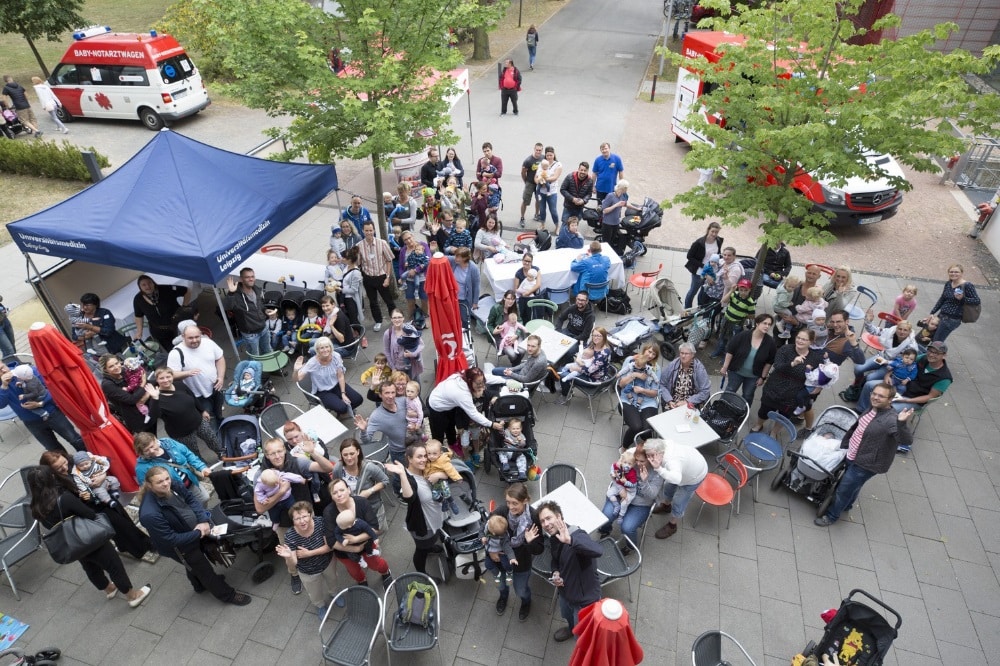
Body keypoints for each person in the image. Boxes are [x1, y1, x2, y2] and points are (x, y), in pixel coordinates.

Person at [28, 466, 151, 607]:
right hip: (90, 538)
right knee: (113, 565)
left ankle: (109, 589)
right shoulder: (64, 499)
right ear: (52, 478)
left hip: (72, 544)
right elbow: (90, 514)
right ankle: (132, 596)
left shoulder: (35, 508)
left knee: (90, 567)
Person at [139, 465, 252, 605]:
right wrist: (198, 533)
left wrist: (203, 521)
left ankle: (198, 585)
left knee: (192, 565)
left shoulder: (171, 484)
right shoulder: (150, 514)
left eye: (167, 478)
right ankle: (228, 595)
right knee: (204, 570)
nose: (166, 483)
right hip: (181, 547)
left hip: (193, 531)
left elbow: (191, 499)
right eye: (159, 482)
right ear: (149, 485)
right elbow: (170, 540)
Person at [814, 385, 914, 526]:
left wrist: (902, 423)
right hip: (853, 455)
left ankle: (831, 516)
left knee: (843, 489)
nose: (875, 397)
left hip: (866, 464)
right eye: (874, 393)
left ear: (890, 400)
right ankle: (847, 505)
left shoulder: (891, 420)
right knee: (853, 485)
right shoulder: (873, 407)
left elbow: (905, 441)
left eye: (881, 396)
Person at [257, 436, 336, 594]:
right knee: (289, 553)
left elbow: (327, 468)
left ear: (285, 450)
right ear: (266, 455)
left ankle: (324, 563)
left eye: (280, 451)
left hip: (306, 515)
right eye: (272, 453)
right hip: (285, 522)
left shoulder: (298, 463)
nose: (277, 456)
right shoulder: (261, 474)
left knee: (316, 542)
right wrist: (281, 492)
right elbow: (259, 508)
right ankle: (294, 574)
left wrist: (313, 452)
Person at [39, 450, 151, 558]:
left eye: (64, 462)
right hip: (94, 506)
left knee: (123, 519)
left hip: (104, 495)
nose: (65, 467)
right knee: (122, 526)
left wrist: (101, 477)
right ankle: (141, 547)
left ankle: (130, 545)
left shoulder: (74, 460)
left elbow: (99, 465)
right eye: (59, 468)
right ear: (51, 472)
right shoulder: (58, 484)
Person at [856, 342, 953, 438]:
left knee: (889, 408)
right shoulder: (923, 357)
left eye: (936, 353)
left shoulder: (944, 378)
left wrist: (906, 400)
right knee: (869, 385)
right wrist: (887, 375)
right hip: (899, 384)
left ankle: (872, 429)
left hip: (913, 398)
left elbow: (929, 397)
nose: (931, 354)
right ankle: (860, 411)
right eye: (930, 351)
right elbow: (901, 363)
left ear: (944, 356)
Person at [537, 500, 602, 641]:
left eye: (548, 518)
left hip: (584, 601)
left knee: (582, 638)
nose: (546, 524)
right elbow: (555, 560)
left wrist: (571, 541)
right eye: (542, 521)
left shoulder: (577, 535)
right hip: (566, 592)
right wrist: (556, 572)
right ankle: (571, 628)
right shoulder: (554, 537)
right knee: (567, 615)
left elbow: (597, 550)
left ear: (559, 516)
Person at [384, 445, 446, 574]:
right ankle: (422, 573)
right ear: (410, 459)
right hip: (422, 524)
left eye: (425, 456)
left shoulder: (428, 468)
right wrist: (402, 474)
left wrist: (440, 474)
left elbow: (449, 470)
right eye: (419, 457)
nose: (424, 459)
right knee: (421, 550)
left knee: (432, 540)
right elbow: (409, 497)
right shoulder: (408, 479)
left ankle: (430, 547)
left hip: (434, 517)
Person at [427, 368, 505, 466]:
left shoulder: (468, 377)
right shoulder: (463, 394)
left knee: (451, 424)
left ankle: (452, 443)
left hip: (449, 403)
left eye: (482, 382)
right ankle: (436, 455)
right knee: (438, 432)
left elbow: (487, 378)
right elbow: (473, 413)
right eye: (478, 384)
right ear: (469, 381)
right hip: (436, 406)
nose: (481, 386)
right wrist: (492, 424)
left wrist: (505, 380)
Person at [274, 502, 339, 619]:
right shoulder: (290, 536)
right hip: (308, 571)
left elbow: (330, 546)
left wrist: (309, 553)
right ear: (293, 520)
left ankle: (334, 594)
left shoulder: (320, 522)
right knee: (314, 592)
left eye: (304, 516)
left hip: (328, 563)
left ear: (310, 515)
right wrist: (288, 556)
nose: (302, 521)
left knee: (333, 579)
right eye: (297, 518)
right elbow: (293, 563)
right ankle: (320, 605)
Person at [0, 365, 86, 453]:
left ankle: (89, 459)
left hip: (52, 413)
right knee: (53, 450)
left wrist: (40, 403)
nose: (3, 371)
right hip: (31, 422)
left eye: (3, 367)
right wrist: (4, 386)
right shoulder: (2, 385)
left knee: (74, 439)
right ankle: (67, 465)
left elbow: (53, 389)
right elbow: (1, 404)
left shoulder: (25, 371)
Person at [752, 329, 824, 432]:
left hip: (793, 395)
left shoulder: (815, 358)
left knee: (784, 417)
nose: (800, 341)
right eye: (798, 338)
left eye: (804, 339)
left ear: (811, 342)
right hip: (774, 389)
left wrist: (818, 387)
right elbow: (777, 366)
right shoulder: (785, 349)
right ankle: (759, 425)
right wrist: (793, 363)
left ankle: (774, 432)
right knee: (764, 410)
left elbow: (820, 376)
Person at [146, 366, 220, 459]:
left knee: (212, 439)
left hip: (198, 421)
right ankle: (203, 469)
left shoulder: (179, 385)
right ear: (157, 379)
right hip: (181, 433)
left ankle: (223, 455)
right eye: (161, 378)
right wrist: (155, 398)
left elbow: (192, 397)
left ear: (172, 377)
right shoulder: (155, 397)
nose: (165, 380)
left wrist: (202, 410)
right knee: (193, 452)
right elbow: (154, 416)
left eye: (168, 377)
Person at [841, 318, 917, 402]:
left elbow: (909, 364)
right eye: (900, 329)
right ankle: (858, 382)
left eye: (905, 330)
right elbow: (874, 331)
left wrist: (889, 373)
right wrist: (868, 321)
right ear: (896, 328)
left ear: (909, 332)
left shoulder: (912, 346)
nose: (902, 332)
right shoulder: (890, 332)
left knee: (870, 378)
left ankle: (862, 392)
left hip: (892, 367)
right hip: (881, 357)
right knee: (858, 368)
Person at [648, 437, 710, 539]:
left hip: (694, 476)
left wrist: (658, 469)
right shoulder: (660, 445)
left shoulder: (671, 462)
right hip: (685, 468)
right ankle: (666, 506)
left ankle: (672, 525)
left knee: (679, 500)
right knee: (668, 487)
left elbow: (676, 479)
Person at [167, 324, 226, 430]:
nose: (194, 340)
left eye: (197, 337)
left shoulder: (208, 343)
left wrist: (220, 377)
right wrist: (187, 373)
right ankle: (218, 442)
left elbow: (220, 358)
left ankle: (223, 427)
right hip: (197, 395)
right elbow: (170, 375)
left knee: (218, 412)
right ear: (183, 336)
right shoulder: (176, 353)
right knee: (210, 419)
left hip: (215, 387)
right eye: (190, 338)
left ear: (200, 335)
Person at [354, 381, 410, 493]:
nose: (390, 396)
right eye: (387, 393)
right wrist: (363, 430)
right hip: (399, 451)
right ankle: (398, 491)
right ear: (380, 395)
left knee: (413, 472)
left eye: (393, 392)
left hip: (413, 446)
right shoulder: (376, 416)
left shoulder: (404, 401)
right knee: (400, 474)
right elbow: (366, 440)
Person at [133, 431, 212, 503]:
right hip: (174, 495)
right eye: (147, 450)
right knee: (190, 513)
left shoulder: (169, 443)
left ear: (155, 439)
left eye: (152, 446)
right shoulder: (141, 468)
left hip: (190, 483)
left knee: (204, 498)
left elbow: (188, 454)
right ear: (141, 452)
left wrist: (202, 467)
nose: (152, 451)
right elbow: (147, 489)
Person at [295, 336, 363, 417]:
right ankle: (342, 409)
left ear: (331, 347)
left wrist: (343, 394)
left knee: (358, 399)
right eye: (321, 348)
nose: (325, 350)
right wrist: (296, 370)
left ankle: (342, 406)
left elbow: (340, 376)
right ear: (317, 350)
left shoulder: (336, 356)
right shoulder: (312, 362)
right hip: (322, 391)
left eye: (327, 347)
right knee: (342, 408)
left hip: (336, 385)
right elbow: (298, 378)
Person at [331, 438, 391, 529]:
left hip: (371, 508)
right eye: (345, 455)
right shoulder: (338, 469)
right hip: (350, 511)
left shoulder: (369, 467)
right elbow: (334, 487)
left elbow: (385, 480)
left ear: (358, 452)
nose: (349, 458)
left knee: (375, 531)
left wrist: (369, 491)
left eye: (352, 453)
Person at [720, 314, 776, 406]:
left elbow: (769, 362)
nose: (767, 326)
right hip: (736, 372)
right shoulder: (743, 335)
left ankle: (744, 412)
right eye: (764, 323)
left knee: (748, 395)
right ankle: (721, 408)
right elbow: (730, 351)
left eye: (769, 324)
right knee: (730, 390)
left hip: (753, 376)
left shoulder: (770, 342)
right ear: (757, 323)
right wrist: (725, 367)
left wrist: (763, 377)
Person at [617, 343, 661, 448]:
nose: (650, 355)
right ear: (644, 350)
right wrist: (634, 375)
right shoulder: (630, 360)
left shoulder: (655, 368)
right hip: (628, 399)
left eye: (653, 354)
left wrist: (643, 390)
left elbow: (655, 392)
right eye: (649, 351)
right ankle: (624, 447)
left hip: (647, 401)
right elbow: (621, 384)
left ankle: (646, 446)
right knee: (637, 427)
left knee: (646, 430)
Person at [99, 354, 155, 434]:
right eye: (111, 366)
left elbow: (142, 375)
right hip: (137, 417)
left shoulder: (124, 370)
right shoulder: (107, 384)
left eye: (117, 363)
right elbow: (131, 399)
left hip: (149, 407)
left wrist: (147, 394)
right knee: (151, 440)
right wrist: (143, 383)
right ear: (105, 370)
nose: (116, 367)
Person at [358, 220, 397, 332]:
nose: (369, 233)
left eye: (370, 230)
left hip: (381, 277)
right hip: (368, 277)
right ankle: (378, 321)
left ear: (374, 230)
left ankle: (395, 319)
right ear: (363, 231)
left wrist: (388, 277)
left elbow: (389, 260)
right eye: (366, 231)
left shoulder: (382, 243)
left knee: (388, 300)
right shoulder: (359, 246)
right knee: (373, 302)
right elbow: (358, 263)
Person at [132, 275, 190, 348]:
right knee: (174, 351)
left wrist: (184, 307)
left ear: (153, 282)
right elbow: (138, 316)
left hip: (178, 327)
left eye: (149, 283)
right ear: (140, 287)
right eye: (143, 285)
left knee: (188, 345)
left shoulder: (166, 289)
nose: (147, 286)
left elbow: (187, 291)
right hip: (159, 332)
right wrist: (139, 332)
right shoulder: (138, 299)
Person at [928, 263, 981, 342]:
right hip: (941, 315)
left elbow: (976, 300)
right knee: (931, 337)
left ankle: (938, 353)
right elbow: (942, 299)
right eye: (951, 272)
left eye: (956, 272)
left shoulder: (967, 285)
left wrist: (962, 299)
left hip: (952, 319)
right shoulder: (949, 283)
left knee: (937, 341)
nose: (953, 274)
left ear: (961, 273)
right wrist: (932, 312)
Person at [223, 268, 271, 355]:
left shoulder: (257, 290)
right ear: (241, 279)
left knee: (268, 350)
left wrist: (265, 310)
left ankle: (270, 367)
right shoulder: (236, 295)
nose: (251, 279)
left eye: (252, 276)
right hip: (250, 334)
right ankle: (257, 369)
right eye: (247, 277)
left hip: (264, 328)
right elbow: (227, 307)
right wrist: (231, 293)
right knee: (254, 357)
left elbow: (260, 305)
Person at [712, 277, 756, 358]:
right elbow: (723, 301)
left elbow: (752, 315)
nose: (743, 292)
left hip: (736, 323)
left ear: (749, 290)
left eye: (745, 290)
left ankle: (726, 356)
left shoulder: (750, 302)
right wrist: (731, 291)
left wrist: (742, 315)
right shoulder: (734, 294)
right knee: (722, 336)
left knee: (731, 340)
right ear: (738, 289)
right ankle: (719, 350)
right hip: (726, 319)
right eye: (741, 290)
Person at [683, 222, 724, 309]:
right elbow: (689, 256)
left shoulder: (719, 241)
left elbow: (718, 254)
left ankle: (700, 308)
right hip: (699, 272)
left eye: (716, 232)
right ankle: (687, 310)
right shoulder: (699, 243)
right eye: (712, 231)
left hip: (712, 271)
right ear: (708, 230)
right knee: (693, 291)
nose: (714, 234)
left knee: (704, 291)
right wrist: (704, 266)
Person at [659, 342, 712, 409]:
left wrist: (687, 402)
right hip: (674, 402)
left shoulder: (699, 369)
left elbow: (705, 391)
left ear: (692, 355)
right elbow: (662, 384)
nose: (683, 356)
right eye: (682, 353)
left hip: (693, 403)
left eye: (686, 354)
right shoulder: (673, 365)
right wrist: (669, 400)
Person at [600, 180, 639, 256]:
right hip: (608, 223)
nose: (627, 190)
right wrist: (616, 205)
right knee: (606, 242)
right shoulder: (610, 196)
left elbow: (626, 204)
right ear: (622, 188)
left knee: (613, 240)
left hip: (616, 223)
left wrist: (637, 208)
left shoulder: (622, 196)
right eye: (626, 188)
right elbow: (604, 210)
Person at [384, 310, 424, 380]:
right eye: (394, 318)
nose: (397, 320)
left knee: (414, 386)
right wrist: (393, 368)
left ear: (403, 318)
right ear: (391, 319)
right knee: (401, 388)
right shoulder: (388, 333)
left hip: (412, 365)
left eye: (399, 317)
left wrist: (413, 354)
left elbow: (421, 344)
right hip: (398, 368)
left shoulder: (410, 329)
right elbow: (387, 352)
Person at [605, 448, 639, 525]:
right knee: (609, 493)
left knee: (624, 503)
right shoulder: (620, 467)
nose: (626, 465)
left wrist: (626, 482)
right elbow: (613, 468)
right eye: (625, 462)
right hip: (619, 487)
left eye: (629, 464)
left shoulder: (632, 473)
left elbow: (634, 484)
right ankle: (616, 505)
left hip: (630, 491)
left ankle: (621, 515)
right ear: (622, 462)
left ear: (633, 465)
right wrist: (613, 474)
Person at [449, 248, 481, 327]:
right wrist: (433, 250)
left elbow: (476, 286)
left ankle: (466, 334)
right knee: (452, 316)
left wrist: (475, 302)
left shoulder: (473, 268)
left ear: (465, 258)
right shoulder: (454, 261)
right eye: (455, 256)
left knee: (465, 319)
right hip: (452, 297)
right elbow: (441, 258)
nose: (455, 258)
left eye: (458, 257)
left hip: (464, 299)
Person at [560, 162, 594, 226]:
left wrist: (583, 200)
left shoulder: (590, 180)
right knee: (565, 225)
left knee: (574, 227)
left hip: (579, 208)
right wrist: (572, 199)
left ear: (587, 171)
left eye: (585, 170)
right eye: (581, 170)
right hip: (568, 206)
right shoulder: (570, 177)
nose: (583, 172)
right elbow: (562, 189)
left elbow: (589, 194)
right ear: (578, 169)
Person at [536, 147, 563, 228]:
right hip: (541, 191)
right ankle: (542, 224)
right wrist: (539, 180)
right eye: (547, 155)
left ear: (554, 155)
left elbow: (555, 177)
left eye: (551, 155)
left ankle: (557, 226)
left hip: (552, 192)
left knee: (553, 210)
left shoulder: (558, 165)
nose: (549, 157)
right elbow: (536, 177)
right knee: (542, 209)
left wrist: (544, 179)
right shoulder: (542, 163)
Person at [519, 143, 544, 227]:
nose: (538, 152)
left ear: (542, 150)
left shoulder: (543, 158)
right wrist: (526, 182)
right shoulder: (528, 160)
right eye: (537, 150)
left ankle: (536, 215)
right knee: (525, 201)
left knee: (538, 200)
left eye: (540, 150)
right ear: (534, 149)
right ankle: (522, 217)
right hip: (530, 183)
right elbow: (523, 172)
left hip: (539, 183)